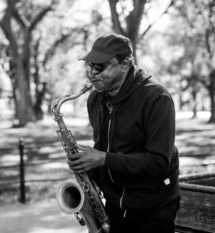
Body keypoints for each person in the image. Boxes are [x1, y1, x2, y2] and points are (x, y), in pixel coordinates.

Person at [66, 34, 180, 233]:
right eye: (90, 66)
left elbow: (159, 162)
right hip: (113, 208)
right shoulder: (95, 99)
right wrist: (86, 165)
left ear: (125, 64)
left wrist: (103, 159)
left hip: (152, 209)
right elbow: (105, 148)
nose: (92, 74)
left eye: (99, 67)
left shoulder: (157, 98)